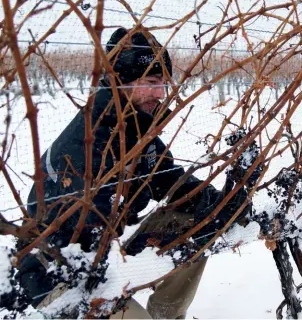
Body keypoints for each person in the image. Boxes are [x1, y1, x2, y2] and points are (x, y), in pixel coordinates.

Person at [16, 27, 250, 319]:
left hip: (111, 251)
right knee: (186, 238)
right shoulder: (87, 143)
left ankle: (166, 314)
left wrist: (219, 203)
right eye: (152, 82)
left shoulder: (137, 129)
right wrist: (163, 244)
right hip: (64, 276)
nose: (160, 93)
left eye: (164, 82)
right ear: (120, 81)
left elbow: (170, 179)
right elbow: (95, 236)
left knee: (193, 227)